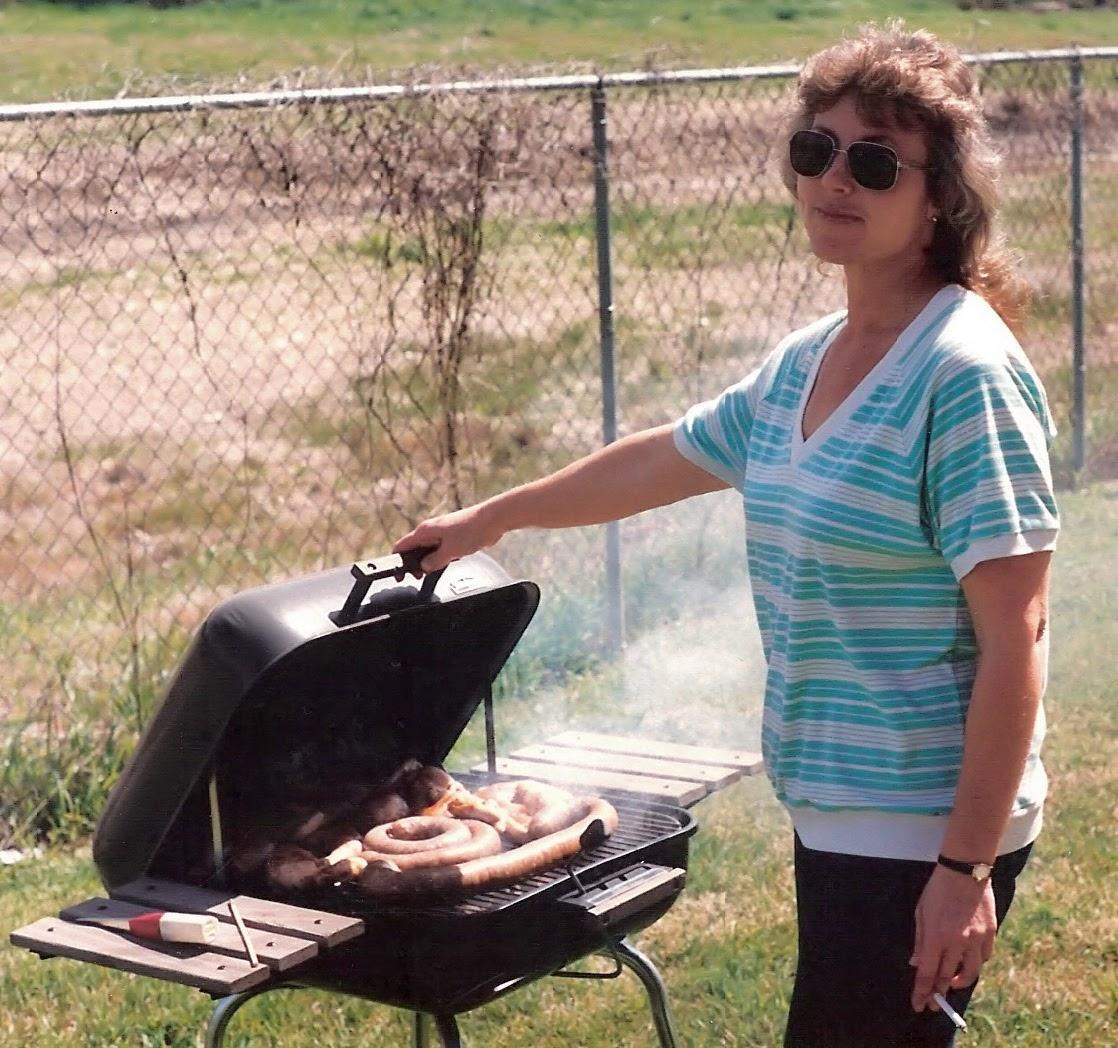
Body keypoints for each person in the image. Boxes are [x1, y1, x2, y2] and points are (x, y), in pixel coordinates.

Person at [394, 22, 1058, 1047]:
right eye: (814, 150)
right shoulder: (808, 361)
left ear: (939, 197)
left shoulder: (961, 375)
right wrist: (496, 515)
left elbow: (1016, 640)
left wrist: (963, 870)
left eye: (873, 163)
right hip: (840, 809)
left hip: (922, 822)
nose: (834, 180)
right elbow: (666, 456)